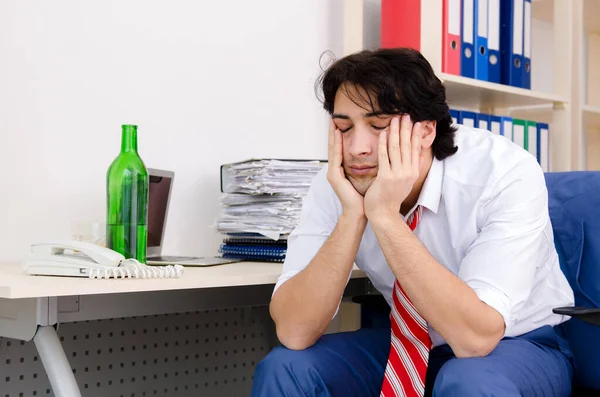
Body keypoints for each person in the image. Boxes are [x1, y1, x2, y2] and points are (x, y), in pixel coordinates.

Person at [250, 47, 575, 397]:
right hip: (410, 345)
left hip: (516, 344)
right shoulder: (337, 183)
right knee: (286, 368)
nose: (357, 148)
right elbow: (294, 331)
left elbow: (476, 337)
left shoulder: (503, 173)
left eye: (378, 126)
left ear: (426, 131)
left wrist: (386, 217)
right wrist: (352, 216)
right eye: (344, 127)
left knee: (468, 382)